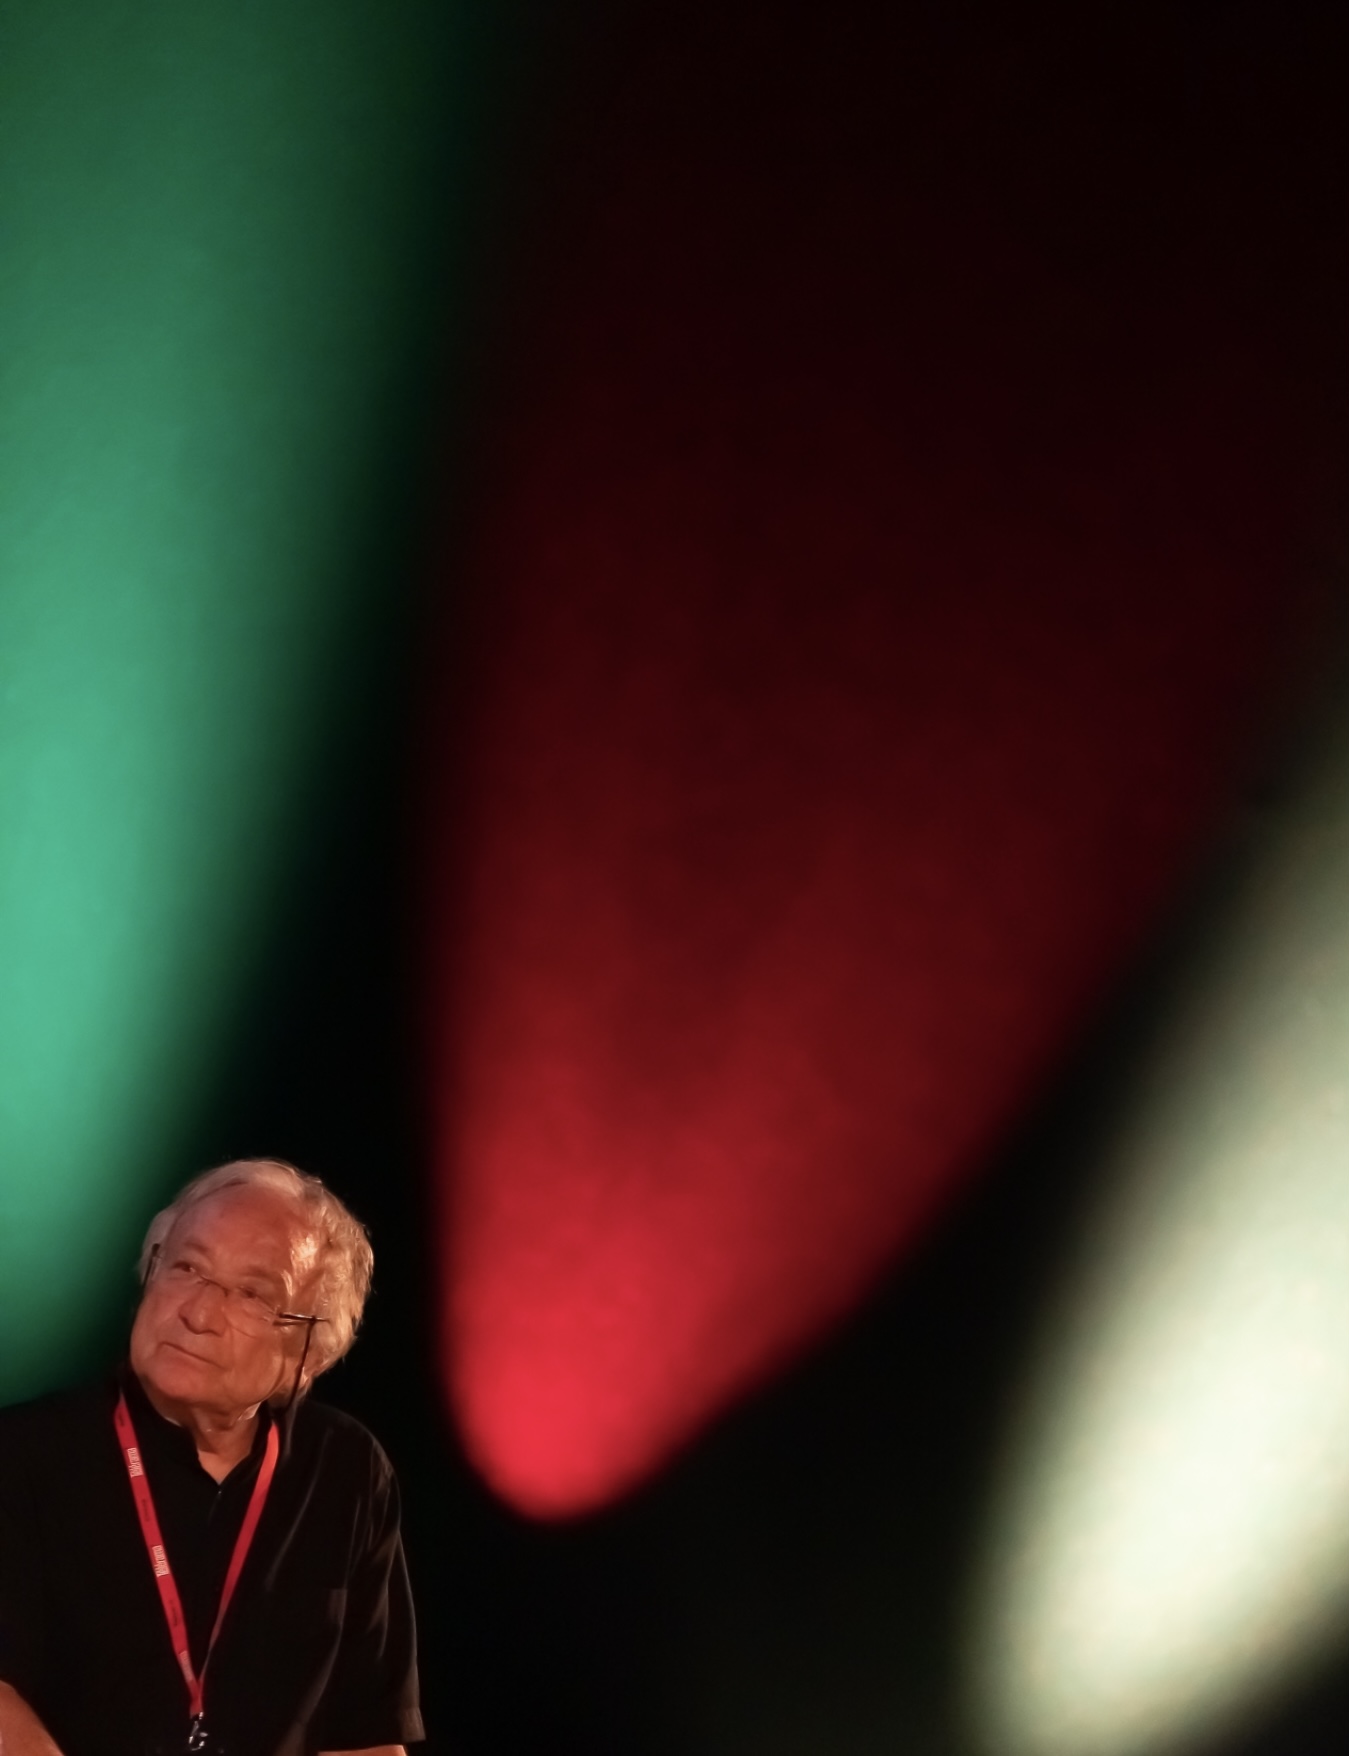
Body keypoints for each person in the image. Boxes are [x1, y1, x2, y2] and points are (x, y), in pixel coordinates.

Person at [0, 1158, 423, 1756]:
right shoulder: (26, 1455)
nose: (197, 1314)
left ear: (311, 1348)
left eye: (252, 1294)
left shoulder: (347, 1469)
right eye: (186, 1268)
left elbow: (368, 1734)